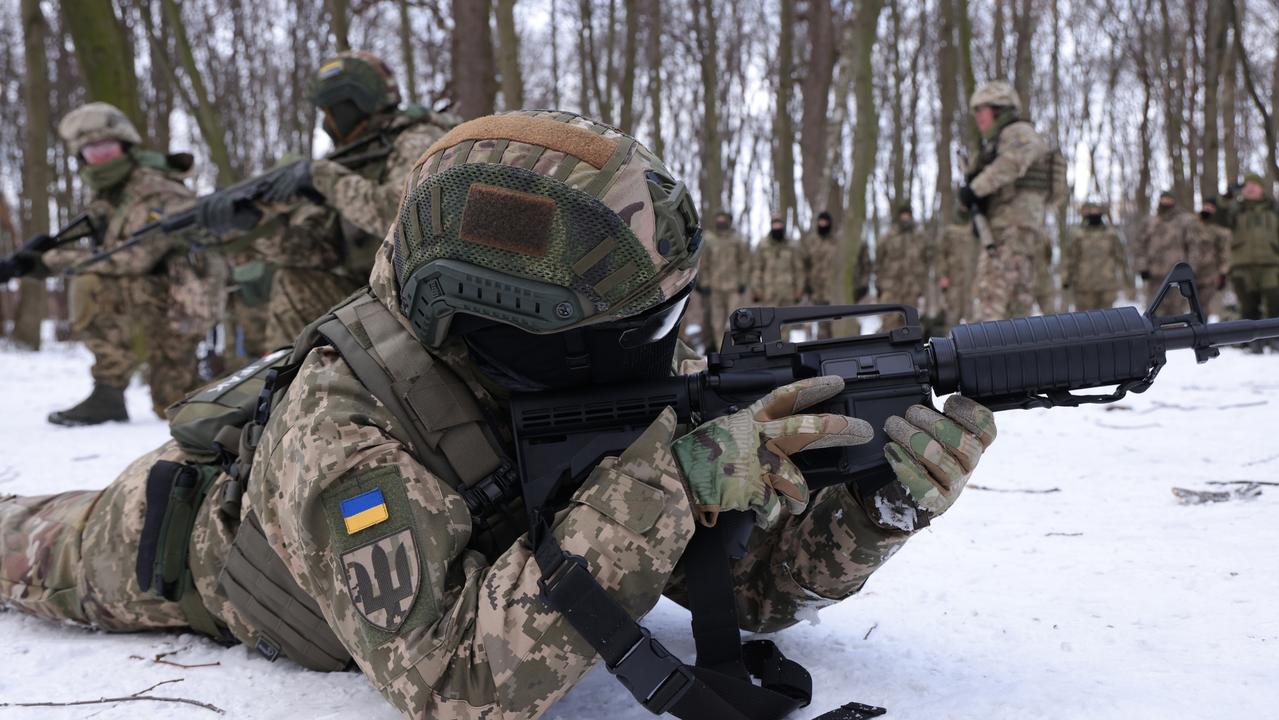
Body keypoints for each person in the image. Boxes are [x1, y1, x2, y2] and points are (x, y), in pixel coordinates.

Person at [0, 111, 996, 720]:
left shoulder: (576, 363)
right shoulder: (340, 435)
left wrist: (875, 509)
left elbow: (743, 585)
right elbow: (458, 684)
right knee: (21, 543)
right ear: (517, 320)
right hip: (171, 544)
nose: (659, 343)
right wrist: (669, 484)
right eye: (635, 324)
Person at [209, 50, 459, 349]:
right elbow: (321, 251)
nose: (325, 123)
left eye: (329, 111)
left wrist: (323, 177)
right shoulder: (354, 159)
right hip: (377, 291)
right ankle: (288, 388)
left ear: (351, 105)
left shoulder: (416, 138)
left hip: (423, 295)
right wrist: (256, 226)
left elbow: (402, 215)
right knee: (293, 282)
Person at [35, 102, 224, 426]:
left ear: (126, 146)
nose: (102, 158)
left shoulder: (153, 188)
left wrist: (51, 261)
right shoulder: (112, 195)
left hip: (187, 307)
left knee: (178, 404)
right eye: (92, 152)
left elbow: (133, 258)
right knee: (175, 407)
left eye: (108, 148)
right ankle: (108, 392)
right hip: (162, 300)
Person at [959, 80, 1052, 321]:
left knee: (989, 309)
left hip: (1009, 236)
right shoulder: (998, 142)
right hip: (1012, 236)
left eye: (982, 110)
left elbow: (1012, 163)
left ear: (999, 109)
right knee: (1015, 317)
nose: (978, 117)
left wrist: (975, 189)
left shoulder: (1018, 133)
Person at [1224, 174, 1279, 350]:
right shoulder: (1235, 209)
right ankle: (1253, 341)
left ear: (1262, 188)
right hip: (1242, 265)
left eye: (1255, 184)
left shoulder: (1274, 208)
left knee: (1275, 301)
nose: (1250, 188)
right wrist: (1227, 196)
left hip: (1271, 264)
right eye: (1247, 185)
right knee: (1248, 306)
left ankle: (1276, 338)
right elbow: (1216, 217)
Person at [1135, 190, 1198, 315]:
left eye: (1169, 199)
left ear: (1174, 201)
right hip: (1154, 274)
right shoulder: (1150, 221)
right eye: (1163, 199)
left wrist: (1190, 269)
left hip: (1176, 273)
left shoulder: (1185, 221)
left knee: (1176, 311)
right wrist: (1142, 267)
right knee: (1153, 310)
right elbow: (1140, 246)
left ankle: (1176, 334)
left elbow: (1193, 246)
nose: (1166, 202)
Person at [1062, 201, 1130, 311]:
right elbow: (1070, 257)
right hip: (1083, 286)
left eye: (1096, 211)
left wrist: (1127, 280)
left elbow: (1121, 256)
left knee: (1107, 320)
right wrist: (1066, 278)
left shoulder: (1111, 234)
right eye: (1091, 211)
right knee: (1084, 321)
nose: (1094, 214)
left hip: (1107, 284)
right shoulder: (1077, 234)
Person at [696, 208, 748, 349]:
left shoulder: (737, 239)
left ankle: (738, 349)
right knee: (717, 323)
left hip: (733, 288)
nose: (721, 221)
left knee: (736, 321)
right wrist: (705, 283)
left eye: (724, 219)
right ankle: (721, 350)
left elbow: (744, 262)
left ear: (729, 221)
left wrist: (743, 282)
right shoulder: (708, 239)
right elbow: (703, 263)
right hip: (715, 289)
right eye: (718, 219)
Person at [874, 204, 930, 330]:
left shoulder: (920, 238)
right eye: (903, 215)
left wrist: (921, 286)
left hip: (911, 290)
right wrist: (879, 284)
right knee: (889, 325)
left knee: (910, 325)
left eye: (908, 215)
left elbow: (925, 261)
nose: (905, 218)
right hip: (891, 289)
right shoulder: (887, 237)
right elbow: (878, 262)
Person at [934, 204, 980, 333]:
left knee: (972, 316)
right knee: (952, 315)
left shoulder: (975, 229)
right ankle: (949, 345)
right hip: (953, 279)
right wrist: (942, 275)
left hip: (971, 279)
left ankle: (973, 345)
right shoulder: (949, 231)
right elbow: (940, 254)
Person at [801, 210, 840, 338]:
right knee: (821, 323)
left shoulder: (837, 242)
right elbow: (804, 265)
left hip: (834, 289)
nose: (823, 224)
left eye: (825, 222)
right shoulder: (811, 242)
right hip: (816, 290)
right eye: (820, 222)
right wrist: (806, 285)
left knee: (836, 323)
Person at [750, 214, 804, 306]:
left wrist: (799, 290)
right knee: (769, 319)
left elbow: (799, 269)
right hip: (769, 293)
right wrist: (757, 289)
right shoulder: (763, 245)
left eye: (779, 224)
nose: (777, 226)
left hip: (788, 293)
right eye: (774, 224)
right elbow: (757, 268)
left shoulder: (792, 245)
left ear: (783, 225)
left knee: (789, 319)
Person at [1191, 196, 1231, 315]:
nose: (1207, 209)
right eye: (1206, 206)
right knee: (1190, 308)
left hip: (1210, 274)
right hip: (1191, 271)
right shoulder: (1193, 225)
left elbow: (1225, 252)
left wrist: (1223, 272)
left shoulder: (1220, 230)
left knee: (1204, 309)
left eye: (1211, 207)